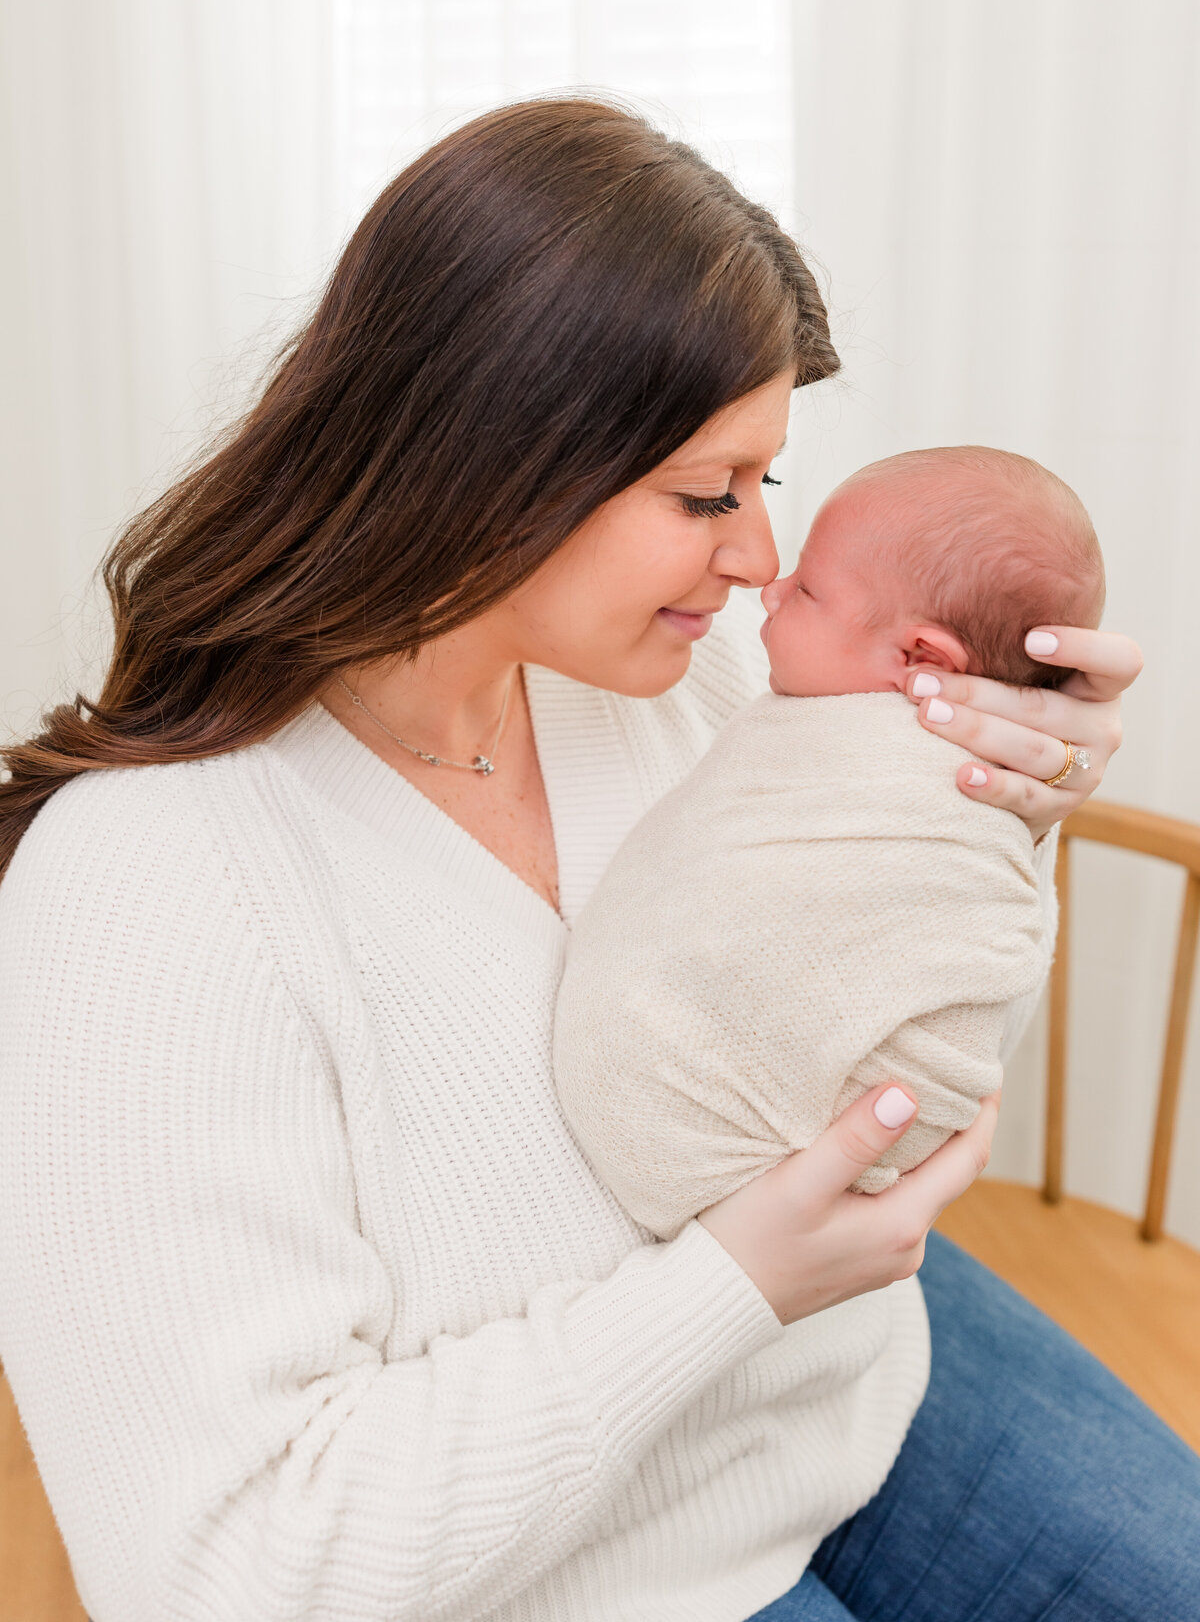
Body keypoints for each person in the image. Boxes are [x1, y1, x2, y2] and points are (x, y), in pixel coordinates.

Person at [0, 97, 1185, 1622]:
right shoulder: (151, 894)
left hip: (854, 1363)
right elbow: (228, 1571)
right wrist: (731, 1283)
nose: (761, 560)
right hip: (593, 1562)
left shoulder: (675, 683)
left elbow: (866, 925)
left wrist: (1005, 768)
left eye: (768, 486)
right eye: (709, 496)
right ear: (491, 460)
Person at [552, 447, 1105, 1235]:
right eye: (708, 492)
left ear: (919, 661)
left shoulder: (935, 784)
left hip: (860, 1245)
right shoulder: (775, 675)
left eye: (806, 590)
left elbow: (966, 976)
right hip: (745, 1263)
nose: (767, 579)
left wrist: (1032, 817)